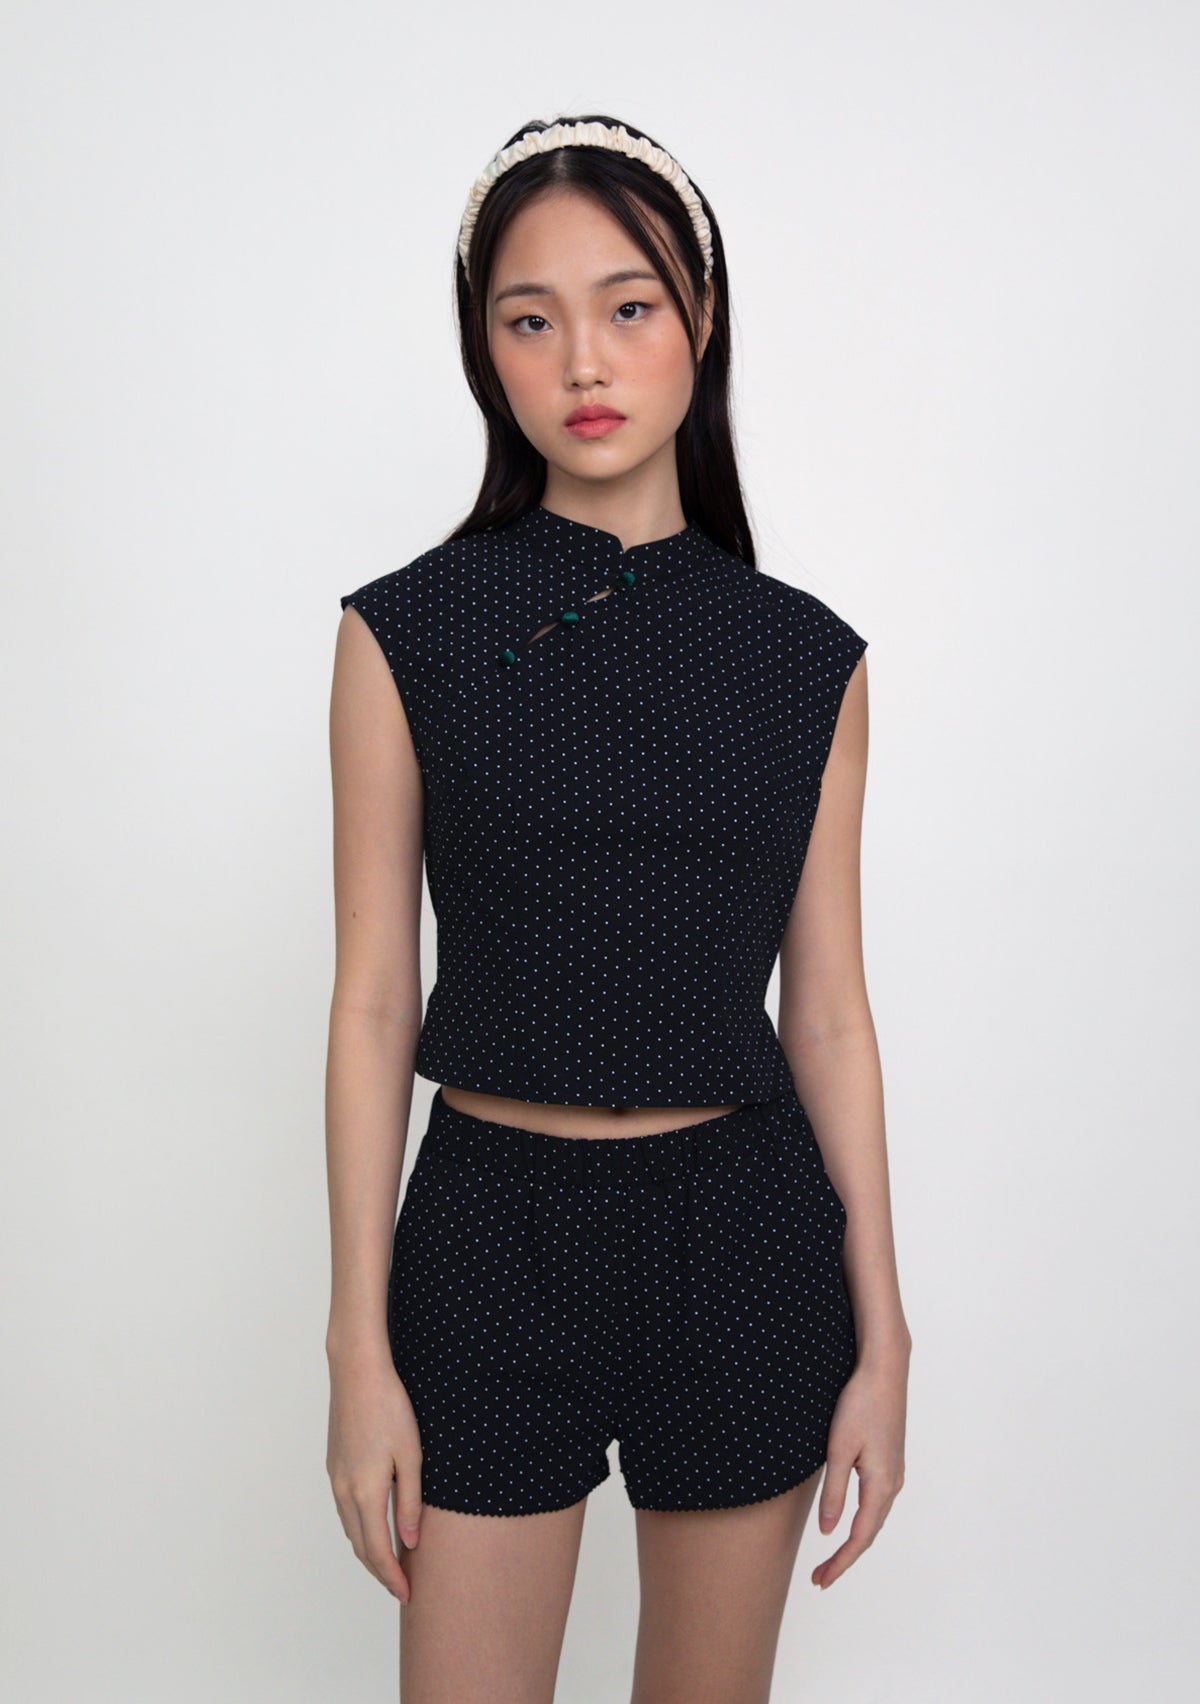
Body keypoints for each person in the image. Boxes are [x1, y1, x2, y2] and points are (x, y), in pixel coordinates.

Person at [326, 113, 910, 1701]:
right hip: (486, 1236)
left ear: (699, 321)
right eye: (530, 319)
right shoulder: (405, 635)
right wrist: (357, 1345)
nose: (583, 359)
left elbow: (830, 1014)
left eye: (628, 305)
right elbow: (373, 1001)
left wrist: (885, 1336)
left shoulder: (809, 660)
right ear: (486, 352)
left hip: (744, 1238)